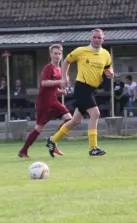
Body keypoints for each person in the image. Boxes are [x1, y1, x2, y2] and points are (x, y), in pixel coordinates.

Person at [46, 29, 113, 157]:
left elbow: (108, 69)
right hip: (82, 87)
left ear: (103, 39)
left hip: (93, 90)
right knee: (95, 113)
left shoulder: (106, 54)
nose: (97, 39)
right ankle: (93, 148)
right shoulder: (81, 51)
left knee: (76, 120)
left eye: (99, 37)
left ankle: (52, 140)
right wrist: (64, 78)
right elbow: (66, 61)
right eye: (95, 37)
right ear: (90, 38)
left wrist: (110, 73)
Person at [18, 44, 72, 158]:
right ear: (51, 54)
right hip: (45, 103)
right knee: (39, 128)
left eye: (59, 54)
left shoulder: (59, 69)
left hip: (53, 101)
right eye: (55, 53)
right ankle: (23, 151)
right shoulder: (48, 68)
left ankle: (53, 141)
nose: (57, 56)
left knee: (69, 120)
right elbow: (44, 83)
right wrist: (59, 82)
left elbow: (52, 87)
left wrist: (60, 92)